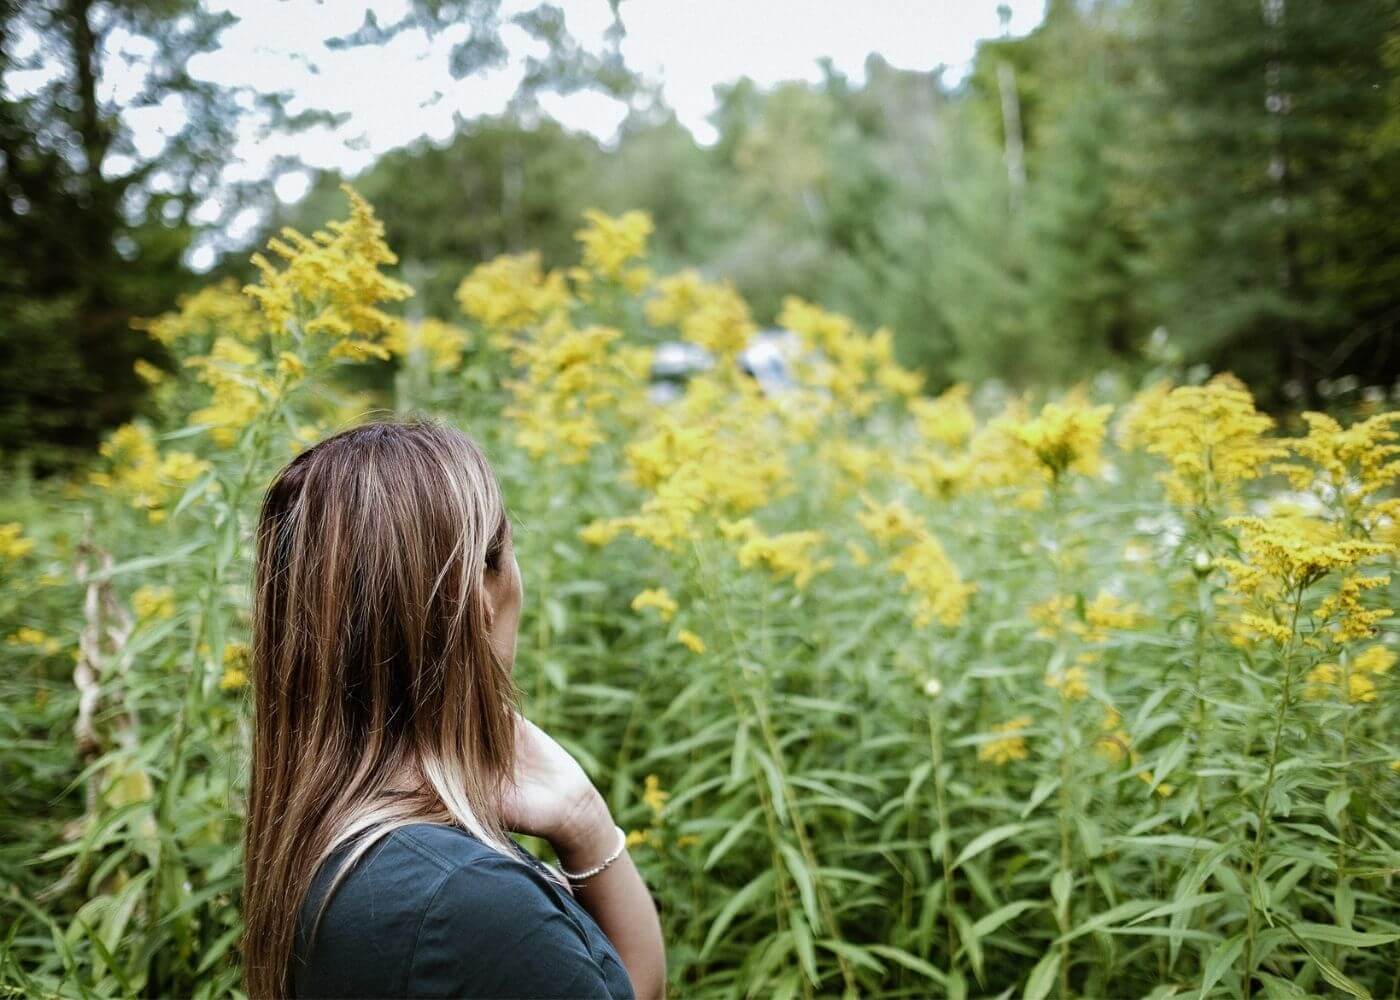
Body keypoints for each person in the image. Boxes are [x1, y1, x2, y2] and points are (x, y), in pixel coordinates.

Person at [239, 419, 666, 999]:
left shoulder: (324, 848)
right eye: (507, 552)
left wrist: (582, 820)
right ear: (481, 595)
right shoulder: (470, 903)